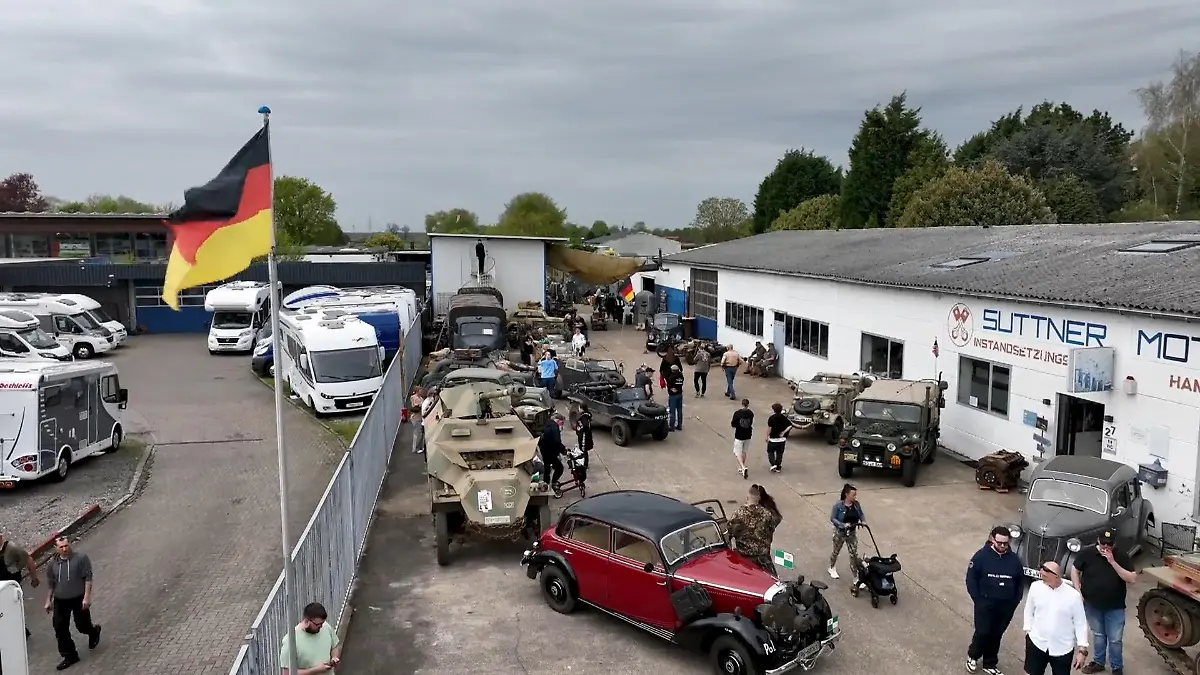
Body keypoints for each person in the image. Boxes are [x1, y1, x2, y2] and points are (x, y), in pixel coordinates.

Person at [1071, 530, 1136, 675]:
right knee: (1099, 635)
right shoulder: (1087, 553)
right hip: (1092, 605)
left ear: (1115, 544)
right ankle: (1098, 662)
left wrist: (1112, 561)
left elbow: (1131, 578)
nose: (1105, 547)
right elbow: (1075, 569)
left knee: (1115, 640)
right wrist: (1077, 590)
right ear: (1098, 541)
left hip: (1115, 606)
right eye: (1103, 544)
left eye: (1109, 544)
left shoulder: (1121, 556)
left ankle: (1116, 667)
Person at [964, 526, 1024, 675]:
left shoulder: (1014, 560)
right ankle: (973, 656)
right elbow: (971, 579)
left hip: (1005, 606)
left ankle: (990, 663)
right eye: (1000, 543)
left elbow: (1019, 582)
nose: (1003, 546)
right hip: (985, 603)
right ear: (992, 539)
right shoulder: (981, 556)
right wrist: (978, 599)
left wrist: (1014, 602)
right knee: (983, 632)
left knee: (996, 634)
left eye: (1006, 543)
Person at [44, 535, 100, 670]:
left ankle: (93, 631)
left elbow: (88, 577)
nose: (64, 549)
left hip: (78, 598)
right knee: (59, 627)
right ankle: (70, 655)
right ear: (56, 549)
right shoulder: (52, 565)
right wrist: (48, 600)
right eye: (61, 547)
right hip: (60, 600)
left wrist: (86, 597)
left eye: (66, 546)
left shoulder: (81, 559)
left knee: (82, 625)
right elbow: (51, 583)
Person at [1024, 562, 1089, 675]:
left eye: (1045, 576)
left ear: (1056, 576)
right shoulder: (1036, 587)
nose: (1042, 578)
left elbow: (1080, 623)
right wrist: (1028, 632)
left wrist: (1082, 650)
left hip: (1063, 649)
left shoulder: (1073, 596)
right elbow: (1029, 610)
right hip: (1037, 644)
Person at [728, 484, 783, 575]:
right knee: (772, 583)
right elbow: (772, 527)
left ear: (747, 497)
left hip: (745, 558)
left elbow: (730, 532)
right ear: (758, 499)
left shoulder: (738, 514)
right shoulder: (767, 514)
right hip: (763, 558)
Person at [280, 601, 342, 675]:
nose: (321, 626)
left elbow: (334, 646)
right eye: (318, 624)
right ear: (306, 621)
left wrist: (334, 657)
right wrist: (314, 670)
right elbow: (287, 673)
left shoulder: (326, 627)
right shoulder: (290, 641)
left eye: (322, 623)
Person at [0, 532, 40, 639]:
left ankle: (22, 632)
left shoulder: (12, 548)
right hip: (1, 586)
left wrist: (34, 578)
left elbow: (28, 560)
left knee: (13, 609)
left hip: (12, 586)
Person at [828, 484, 864, 580]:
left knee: (854, 554)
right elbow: (832, 518)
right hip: (840, 533)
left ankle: (856, 576)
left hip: (851, 533)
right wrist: (842, 525)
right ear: (846, 494)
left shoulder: (856, 505)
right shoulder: (838, 505)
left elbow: (861, 514)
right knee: (836, 551)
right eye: (853, 495)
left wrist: (863, 521)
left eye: (855, 495)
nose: (855, 497)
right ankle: (831, 567)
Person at [538, 414, 567, 488]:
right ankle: (553, 483)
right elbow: (557, 442)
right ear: (557, 421)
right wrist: (564, 451)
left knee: (547, 468)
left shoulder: (548, 424)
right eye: (562, 423)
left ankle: (546, 484)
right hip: (550, 452)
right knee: (559, 468)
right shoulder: (554, 428)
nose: (562, 425)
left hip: (544, 450)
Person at [730, 399, 754, 478]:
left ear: (742, 404)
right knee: (744, 451)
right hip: (748, 434)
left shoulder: (737, 413)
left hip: (739, 434)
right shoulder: (751, 413)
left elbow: (733, 424)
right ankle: (742, 467)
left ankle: (743, 467)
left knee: (737, 452)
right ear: (748, 405)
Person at [765, 402, 792, 472]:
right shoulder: (784, 418)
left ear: (774, 410)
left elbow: (770, 428)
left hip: (773, 439)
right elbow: (790, 425)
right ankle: (778, 467)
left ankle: (773, 464)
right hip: (782, 440)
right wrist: (783, 432)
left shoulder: (771, 418)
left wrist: (767, 436)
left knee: (770, 452)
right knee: (779, 453)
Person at [665, 364, 686, 431]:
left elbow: (669, 385)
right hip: (680, 394)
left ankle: (672, 426)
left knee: (672, 411)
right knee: (679, 410)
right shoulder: (681, 376)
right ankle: (679, 425)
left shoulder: (671, 377)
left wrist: (672, 389)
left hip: (673, 396)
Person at [409, 387, 427, 454]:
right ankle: (415, 449)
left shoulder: (419, 397)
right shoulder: (416, 398)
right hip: (416, 418)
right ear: (417, 391)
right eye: (420, 390)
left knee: (419, 433)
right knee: (417, 433)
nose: (421, 391)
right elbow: (419, 406)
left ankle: (418, 447)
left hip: (418, 417)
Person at [576, 403, 594, 469]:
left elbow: (585, 425)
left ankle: (584, 464)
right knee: (584, 450)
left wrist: (582, 430)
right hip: (585, 436)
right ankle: (584, 462)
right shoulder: (587, 415)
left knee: (583, 450)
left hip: (584, 436)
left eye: (579, 408)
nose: (578, 409)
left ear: (582, 409)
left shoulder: (584, 417)